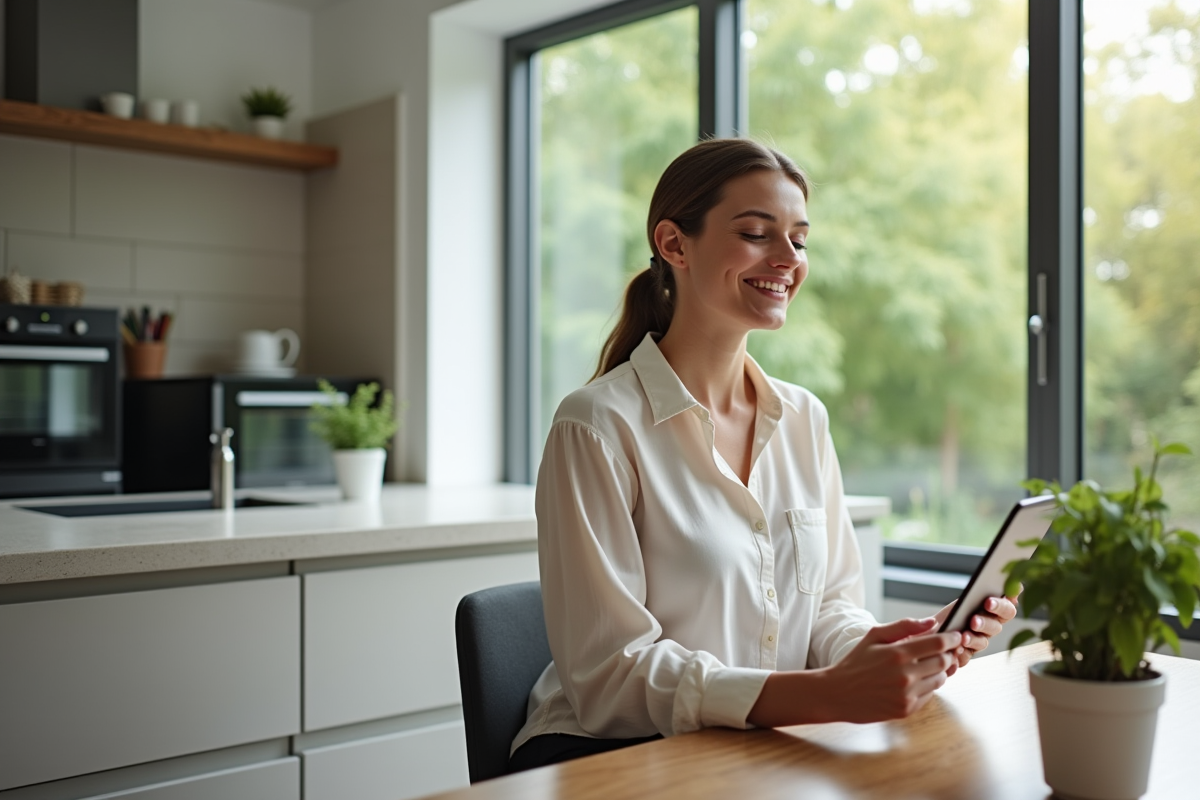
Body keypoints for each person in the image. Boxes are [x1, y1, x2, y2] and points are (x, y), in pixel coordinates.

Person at [509, 138, 1018, 772]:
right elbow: (609, 677)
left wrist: (890, 650)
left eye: (800, 240)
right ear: (674, 245)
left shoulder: (803, 417)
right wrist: (824, 694)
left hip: (751, 744)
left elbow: (829, 604)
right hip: (606, 754)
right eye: (756, 233)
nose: (788, 259)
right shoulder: (595, 426)